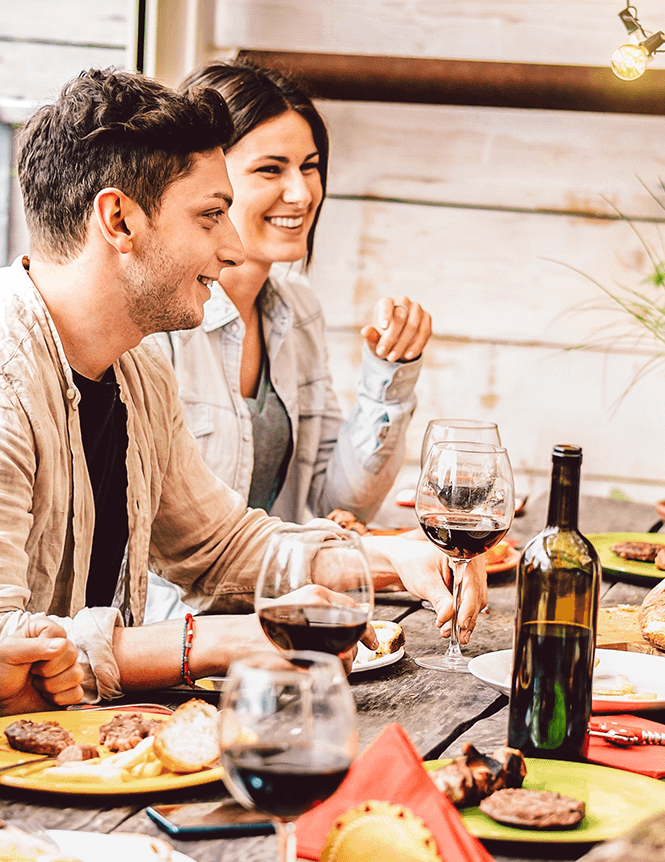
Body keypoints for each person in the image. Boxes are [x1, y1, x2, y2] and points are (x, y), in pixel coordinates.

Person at [2, 66, 483, 699]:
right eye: (210, 216)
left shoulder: (136, 370)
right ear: (119, 220)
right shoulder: (10, 380)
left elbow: (218, 545)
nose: (231, 249)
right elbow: (9, 644)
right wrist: (230, 640)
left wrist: (390, 560)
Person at [144, 61, 432, 619]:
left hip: (286, 611)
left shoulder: (297, 309)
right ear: (211, 181)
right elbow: (172, 550)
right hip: (177, 640)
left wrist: (389, 375)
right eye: (271, 169)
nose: (301, 193)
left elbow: (336, 507)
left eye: (311, 167)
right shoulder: (160, 325)